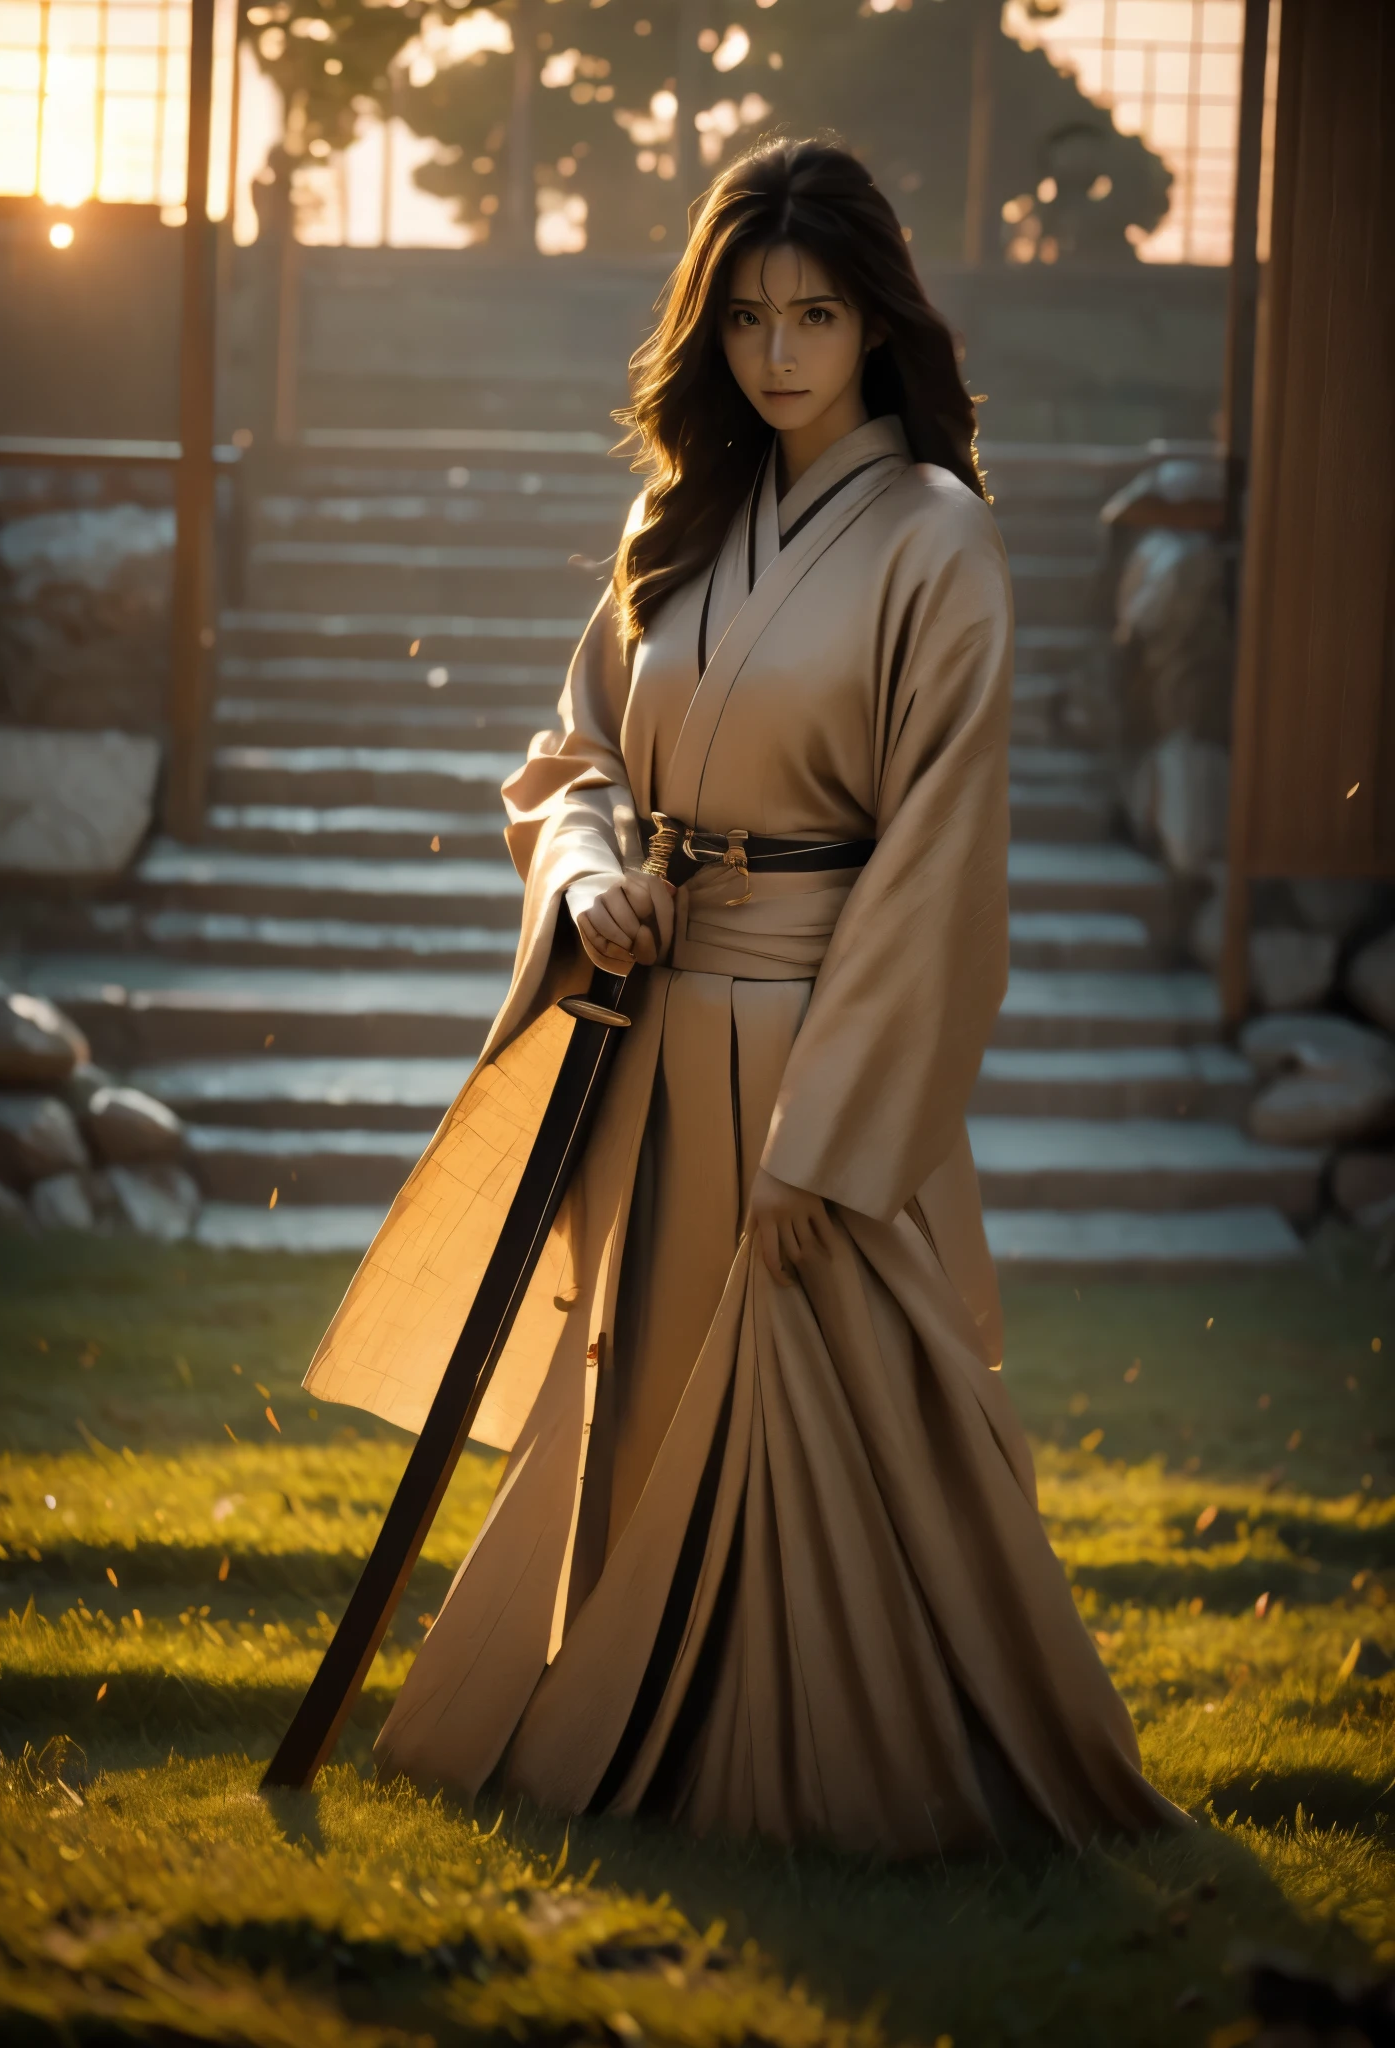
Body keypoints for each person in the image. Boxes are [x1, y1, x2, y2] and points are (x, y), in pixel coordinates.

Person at [305, 138, 1183, 1856]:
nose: (780, 353)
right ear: (709, 329)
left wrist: (836, 1127)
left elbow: (940, 859)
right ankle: (639, 1751)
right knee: (641, 1400)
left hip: (817, 1054)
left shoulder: (939, 541)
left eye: (818, 315)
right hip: (649, 1040)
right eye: (750, 317)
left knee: (847, 1420)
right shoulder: (676, 524)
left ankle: (889, 1776)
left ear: (878, 327)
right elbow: (570, 761)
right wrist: (594, 878)